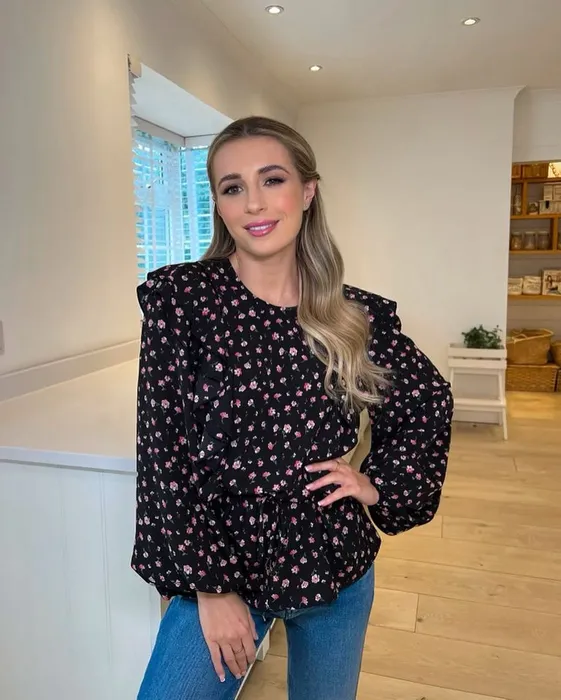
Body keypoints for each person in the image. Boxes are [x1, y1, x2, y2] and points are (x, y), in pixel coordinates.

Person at [133, 116, 453, 700]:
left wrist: (376, 484)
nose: (254, 202)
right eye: (233, 187)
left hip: (334, 557)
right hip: (225, 562)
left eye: (272, 179)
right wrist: (210, 587)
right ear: (219, 205)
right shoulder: (183, 300)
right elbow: (163, 452)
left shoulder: (354, 315)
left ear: (307, 192)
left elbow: (426, 400)